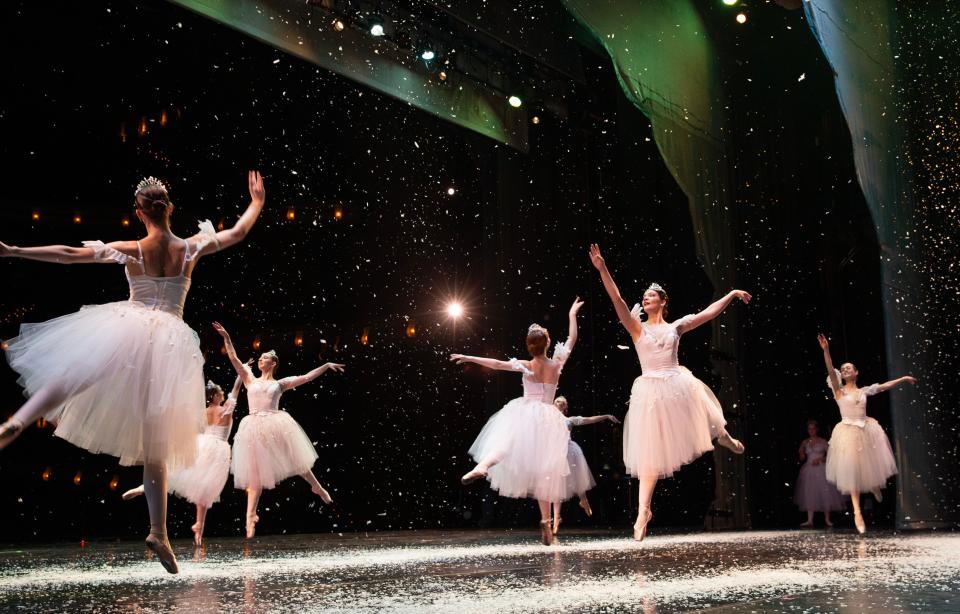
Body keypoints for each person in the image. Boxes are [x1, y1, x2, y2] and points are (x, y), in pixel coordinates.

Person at [1, 171, 266, 573]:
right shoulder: (189, 247)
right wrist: (256, 203)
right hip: (171, 343)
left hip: (130, 326)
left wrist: (14, 250)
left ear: (138, 213)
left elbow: (71, 254)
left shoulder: (132, 249)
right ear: (170, 209)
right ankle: (158, 532)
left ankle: (16, 423)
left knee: (77, 373)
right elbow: (237, 233)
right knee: (155, 441)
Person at [588, 244, 748, 541]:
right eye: (645, 296)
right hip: (650, 392)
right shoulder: (637, 329)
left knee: (705, 414)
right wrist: (602, 269)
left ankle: (724, 437)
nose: (645, 298)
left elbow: (708, 313)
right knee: (648, 455)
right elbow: (617, 298)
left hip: (677, 384)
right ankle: (643, 511)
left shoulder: (676, 327)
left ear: (662, 302)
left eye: (651, 295)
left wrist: (731, 294)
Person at [452, 297, 584, 545]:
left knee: (505, 445)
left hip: (525, 412)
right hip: (548, 418)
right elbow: (572, 339)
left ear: (529, 346)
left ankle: (483, 467)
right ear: (547, 343)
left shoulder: (525, 365)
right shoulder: (556, 364)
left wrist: (469, 357)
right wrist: (572, 314)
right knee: (545, 471)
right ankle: (545, 521)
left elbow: (497, 364)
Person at [213, 322, 344, 538]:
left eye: (265, 358)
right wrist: (226, 337)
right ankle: (250, 517)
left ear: (273, 363)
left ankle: (317, 488)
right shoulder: (249, 379)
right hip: (253, 426)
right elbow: (234, 359)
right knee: (255, 473)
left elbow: (306, 377)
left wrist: (326, 364)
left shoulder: (280, 384)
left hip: (275, 424)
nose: (260, 360)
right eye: (261, 358)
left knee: (296, 459)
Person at [123, 369, 246, 546]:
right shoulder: (225, 409)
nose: (222, 394)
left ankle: (143, 487)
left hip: (201, 444)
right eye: (220, 393)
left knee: (177, 473)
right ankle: (199, 526)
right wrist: (241, 374)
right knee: (205, 488)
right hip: (217, 448)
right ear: (216, 396)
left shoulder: (204, 412)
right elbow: (235, 391)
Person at [816, 333, 915, 534]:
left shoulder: (864, 391)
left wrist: (903, 378)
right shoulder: (839, 391)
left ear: (856, 372)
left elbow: (884, 386)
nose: (845, 370)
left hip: (865, 429)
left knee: (869, 464)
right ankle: (857, 512)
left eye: (848, 368)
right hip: (847, 432)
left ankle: (873, 486)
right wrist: (826, 350)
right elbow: (829, 368)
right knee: (851, 472)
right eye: (842, 369)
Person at [550, 395, 620, 535]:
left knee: (576, 477)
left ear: (565, 407)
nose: (559, 403)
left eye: (563, 402)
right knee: (556, 486)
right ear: (553, 404)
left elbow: (589, 419)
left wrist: (606, 416)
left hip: (568, 451)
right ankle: (556, 518)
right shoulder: (547, 420)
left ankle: (584, 500)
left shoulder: (569, 420)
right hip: (555, 452)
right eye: (557, 401)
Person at [793, 419, 844, 527]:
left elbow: (831, 454)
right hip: (809, 470)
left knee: (825, 493)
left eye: (813, 428)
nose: (811, 431)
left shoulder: (822, 441)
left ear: (817, 429)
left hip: (821, 469)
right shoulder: (805, 442)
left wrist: (821, 459)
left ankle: (827, 519)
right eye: (809, 429)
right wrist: (801, 453)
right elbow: (801, 456)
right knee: (809, 493)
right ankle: (810, 519)